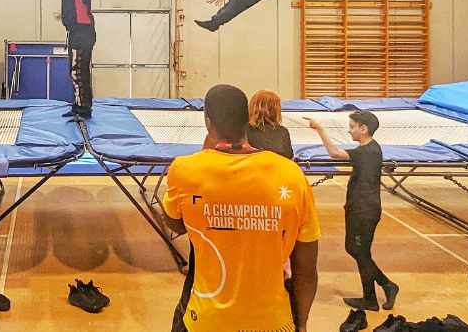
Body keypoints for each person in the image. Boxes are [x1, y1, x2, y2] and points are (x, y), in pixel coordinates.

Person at [163, 84, 320, 332]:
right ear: (246, 120)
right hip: (274, 322)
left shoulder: (185, 170)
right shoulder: (292, 175)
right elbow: (306, 269)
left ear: (208, 123)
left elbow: (174, 224)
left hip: (204, 320)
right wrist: (300, 325)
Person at [306, 110, 399, 311]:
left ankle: (387, 285)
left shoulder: (364, 152)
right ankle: (370, 298)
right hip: (365, 208)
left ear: (363, 129)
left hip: (362, 210)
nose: (349, 131)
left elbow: (334, 153)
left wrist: (320, 129)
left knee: (357, 250)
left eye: (352, 127)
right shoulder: (373, 149)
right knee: (359, 250)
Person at [43, 0, 95, 121]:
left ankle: (84, 110)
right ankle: (79, 105)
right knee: (76, 70)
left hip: (83, 32)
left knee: (77, 71)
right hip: (76, 32)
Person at [247, 89, 293, 160]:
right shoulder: (282, 131)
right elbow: (289, 157)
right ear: (276, 109)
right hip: (276, 168)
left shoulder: (243, 130)